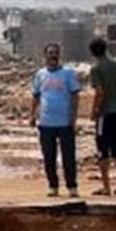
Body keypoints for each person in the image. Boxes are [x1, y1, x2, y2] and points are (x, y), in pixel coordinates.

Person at [29, 42, 82, 197]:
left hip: (65, 122)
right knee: (49, 157)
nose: (53, 55)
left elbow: (75, 96)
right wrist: (32, 115)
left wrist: (73, 117)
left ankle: (72, 186)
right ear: (45, 55)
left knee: (68, 157)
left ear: (59, 55)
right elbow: (36, 96)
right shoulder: (40, 74)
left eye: (55, 52)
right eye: (50, 52)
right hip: (45, 122)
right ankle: (53, 186)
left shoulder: (68, 73)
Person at [88, 38, 116, 196]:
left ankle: (106, 186)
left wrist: (95, 110)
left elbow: (99, 92)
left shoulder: (96, 69)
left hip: (105, 113)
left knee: (103, 149)